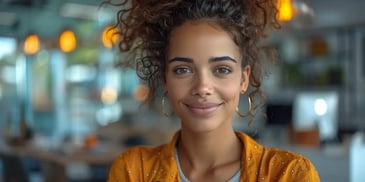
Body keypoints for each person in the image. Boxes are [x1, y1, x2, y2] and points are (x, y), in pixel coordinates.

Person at [106, 0, 320, 181]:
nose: (202, 87)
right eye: (182, 70)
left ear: (243, 79)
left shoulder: (289, 174)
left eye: (222, 69)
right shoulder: (134, 171)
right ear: (165, 79)